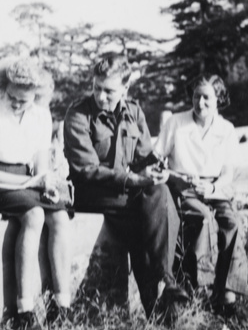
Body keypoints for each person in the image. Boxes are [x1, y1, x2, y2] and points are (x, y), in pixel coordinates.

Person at [63, 53, 189, 324]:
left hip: (127, 193)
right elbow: (87, 170)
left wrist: (156, 169)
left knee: (160, 192)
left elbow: (144, 157)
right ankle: (160, 303)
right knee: (144, 214)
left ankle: (165, 284)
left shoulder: (134, 111)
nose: (100, 96)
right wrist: (134, 178)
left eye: (109, 91)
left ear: (125, 88)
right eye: (96, 87)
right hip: (93, 194)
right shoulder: (78, 114)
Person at [0, 58, 72, 330]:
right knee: (34, 214)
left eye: (23, 101)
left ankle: (61, 306)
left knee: (60, 218)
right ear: (3, 86)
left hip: (30, 178)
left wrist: (46, 183)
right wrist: (31, 183)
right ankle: (24, 310)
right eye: (12, 97)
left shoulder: (41, 115)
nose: (16, 104)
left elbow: (41, 164)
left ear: (35, 97)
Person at [155, 73, 248, 316]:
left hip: (214, 188)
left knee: (231, 222)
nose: (201, 103)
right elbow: (157, 160)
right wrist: (174, 177)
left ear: (219, 99)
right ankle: (203, 290)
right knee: (205, 218)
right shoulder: (176, 123)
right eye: (196, 97)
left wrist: (214, 188)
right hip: (183, 188)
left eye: (207, 98)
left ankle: (226, 295)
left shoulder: (226, 129)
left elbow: (228, 171)